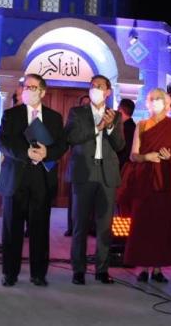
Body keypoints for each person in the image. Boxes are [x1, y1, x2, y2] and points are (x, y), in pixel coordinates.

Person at [0, 74, 66, 287]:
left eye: (33, 87)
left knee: (39, 228)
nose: (28, 90)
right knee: (12, 229)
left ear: (42, 92)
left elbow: (63, 145)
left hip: (41, 180)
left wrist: (48, 152)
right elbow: (2, 142)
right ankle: (10, 273)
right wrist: (26, 153)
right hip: (16, 178)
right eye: (26, 86)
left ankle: (38, 274)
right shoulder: (11, 115)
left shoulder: (54, 117)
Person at [118, 88, 171, 282]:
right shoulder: (141, 125)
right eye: (152, 99)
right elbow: (133, 155)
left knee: (161, 226)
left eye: (160, 99)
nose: (156, 102)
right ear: (147, 103)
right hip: (144, 181)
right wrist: (145, 157)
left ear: (167, 104)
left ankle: (158, 269)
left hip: (165, 183)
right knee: (142, 225)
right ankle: (142, 267)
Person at [66, 75, 125, 285]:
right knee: (80, 225)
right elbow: (72, 138)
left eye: (100, 86)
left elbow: (119, 145)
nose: (96, 89)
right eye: (93, 86)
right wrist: (98, 127)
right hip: (84, 173)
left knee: (104, 226)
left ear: (108, 92)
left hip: (107, 174)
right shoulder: (77, 112)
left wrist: (109, 128)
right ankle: (78, 270)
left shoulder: (115, 116)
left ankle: (102, 269)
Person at [64, 94, 92, 237]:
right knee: (74, 201)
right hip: (77, 164)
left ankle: (89, 228)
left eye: (89, 103)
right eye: (84, 103)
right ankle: (71, 227)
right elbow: (69, 137)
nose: (86, 106)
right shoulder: (75, 117)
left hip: (93, 167)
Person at [116, 98, 137, 171]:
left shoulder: (128, 127)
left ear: (120, 110)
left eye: (118, 108)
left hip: (122, 167)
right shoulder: (131, 125)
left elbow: (124, 150)